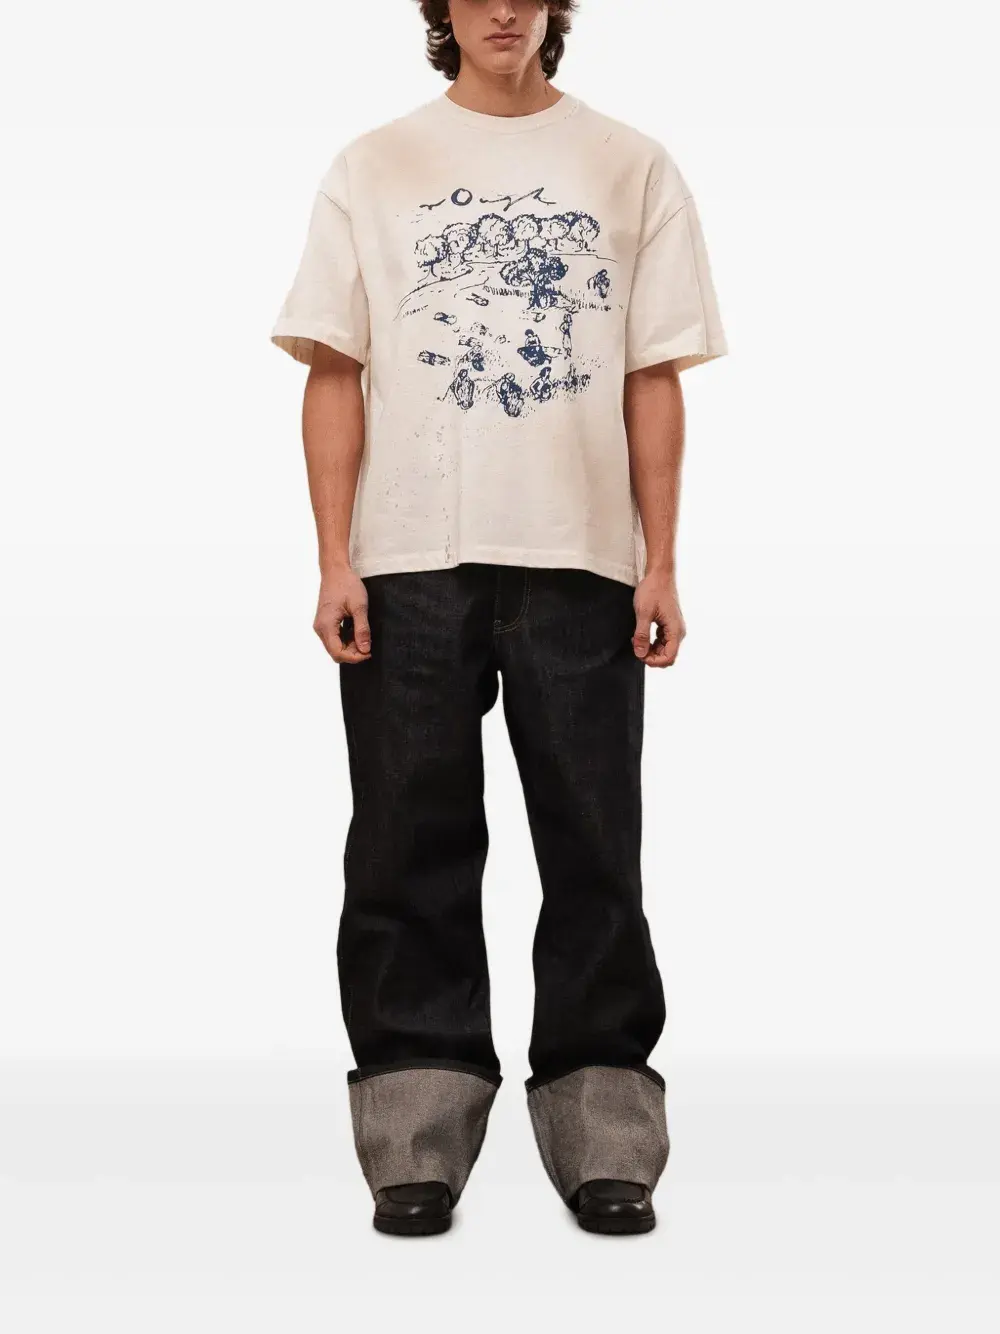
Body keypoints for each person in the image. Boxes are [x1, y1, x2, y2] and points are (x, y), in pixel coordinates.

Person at [270, 0, 726, 1237]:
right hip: (407, 558)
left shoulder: (629, 162)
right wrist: (334, 559)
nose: (503, 9)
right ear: (441, 9)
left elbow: (651, 374)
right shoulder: (374, 164)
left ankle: (604, 1125)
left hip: (580, 557)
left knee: (593, 841)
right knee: (406, 838)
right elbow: (332, 370)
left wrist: (660, 562)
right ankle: (415, 1127)